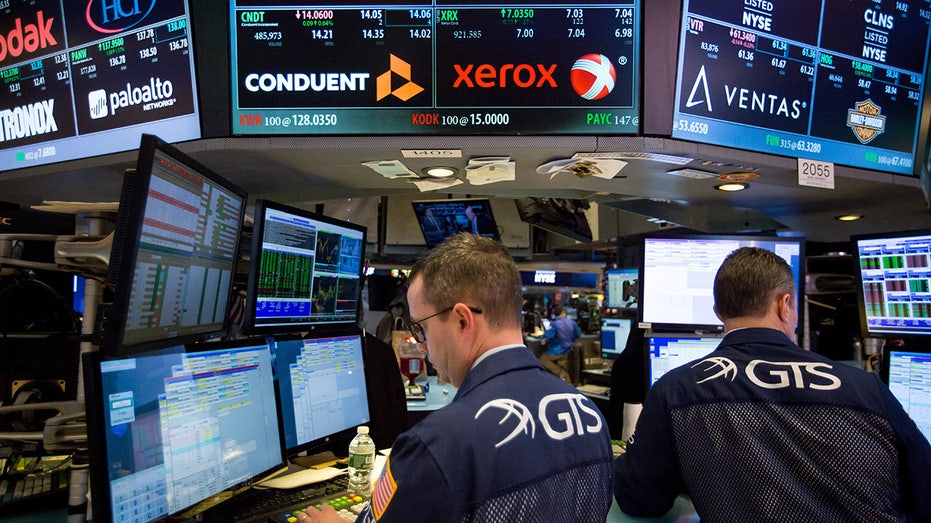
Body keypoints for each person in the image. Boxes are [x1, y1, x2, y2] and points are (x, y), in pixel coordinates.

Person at [302, 233, 613, 522]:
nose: (421, 346)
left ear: (463, 320)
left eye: (421, 328)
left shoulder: (437, 443)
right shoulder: (589, 414)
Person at [614, 247, 931, 521]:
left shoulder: (677, 390)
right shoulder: (866, 387)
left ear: (718, 312)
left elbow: (639, 500)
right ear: (785, 305)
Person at [539, 306, 581, 382]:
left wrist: (543, 338)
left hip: (557, 351)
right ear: (563, 313)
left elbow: (548, 335)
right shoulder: (572, 322)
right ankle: (564, 378)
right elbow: (578, 334)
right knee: (562, 364)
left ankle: (561, 373)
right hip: (568, 350)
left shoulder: (554, 324)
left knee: (542, 360)